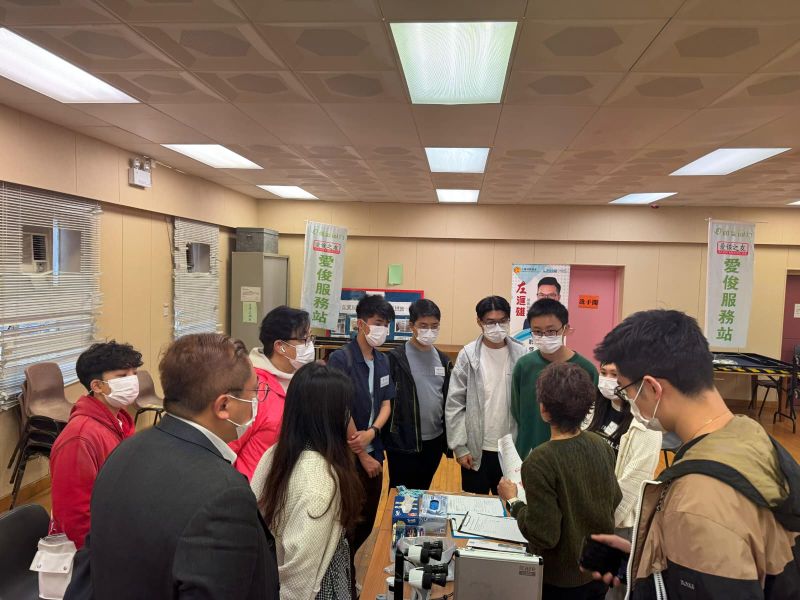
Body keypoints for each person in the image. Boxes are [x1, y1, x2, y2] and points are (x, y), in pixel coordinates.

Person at [588, 310, 800, 599]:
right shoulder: (748, 435)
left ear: (651, 387)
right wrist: (645, 560)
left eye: (626, 390)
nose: (627, 400)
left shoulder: (698, 498)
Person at [69, 333, 279, 599]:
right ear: (224, 405)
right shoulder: (225, 495)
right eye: (255, 392)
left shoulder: (124, 451)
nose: (257, 401)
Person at [499, 363, 620, 600]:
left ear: (544, 410)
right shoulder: (602, 445)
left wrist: (513, 501)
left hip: (562, 581)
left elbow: (544, 534)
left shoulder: (540, 460)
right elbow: (614, 498)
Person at [252, 363, 362, 600]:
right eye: (344, 410)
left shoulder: (274, 453)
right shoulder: (321, 482)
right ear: (331, 417)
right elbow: (299, 579)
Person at [326, 294, 395, 587]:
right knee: (346, 523)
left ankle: (348, 569)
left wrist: (373, 432)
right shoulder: (341, 358)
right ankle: (343, 579)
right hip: (346, 456)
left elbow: (386, 403)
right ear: (361, 324)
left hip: (374, 448)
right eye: (377, 322)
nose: (382, 329)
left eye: (386, 324)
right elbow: (339, 406)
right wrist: (362, 453)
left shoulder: (382, 360)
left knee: (367, 520)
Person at [49, 341, 142, 549]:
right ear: (97, 386)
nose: (132, 381)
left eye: (134, 373)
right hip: (98, 549)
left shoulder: (119, 422)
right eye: (122, 376)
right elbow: (75, 519)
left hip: (120, 527)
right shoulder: (79, 439)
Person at [446, 295, 526, 494]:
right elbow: (455, 403)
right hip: (475, 450)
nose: (497, 327)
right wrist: (460, 447)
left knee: (510, 504)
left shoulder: (521, 354)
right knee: (475, 506)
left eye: (502, 321)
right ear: (479, 322)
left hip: (510, 450)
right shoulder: (468, 355)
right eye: (490, 322)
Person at [231, 305, 313, 480]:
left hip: (284, 482)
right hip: (254, 487)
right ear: (280, 346)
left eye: (310, 338)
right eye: (304, 339)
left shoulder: (301, 379)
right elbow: (229, 449)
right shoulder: (254, 387)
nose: (310, 345)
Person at [511, 299, 598, 458]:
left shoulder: (587, 370)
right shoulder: (524, 366)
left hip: (572, 454)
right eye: (537, 331)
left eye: (551, 331)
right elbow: (517, 412)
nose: (544, 336)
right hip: (529, 453)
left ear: (565, 329)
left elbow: (590, 418)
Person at [385, 299, 452, 490]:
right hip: (403, 441)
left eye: (434, 326)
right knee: (399, 493)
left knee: (423, 490)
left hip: (434, 441)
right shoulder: (395, 358)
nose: (429, 331)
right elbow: (385, 401)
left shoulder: (443, 360)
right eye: (423, 326)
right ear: (411, 325)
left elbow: (447, 398)